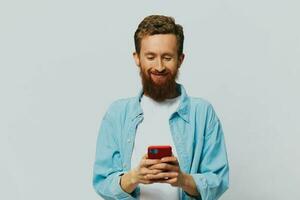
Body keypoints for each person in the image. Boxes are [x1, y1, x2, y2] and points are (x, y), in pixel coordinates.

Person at [93, 15, 229, 200]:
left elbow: (218, 180)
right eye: (150, 57)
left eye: (167, 57)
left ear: (180, 59)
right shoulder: (117, 114)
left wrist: (182, 180)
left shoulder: (202, 113)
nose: (159, 66)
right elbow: (102, 182)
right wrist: (134, 177)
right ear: (137, 58)